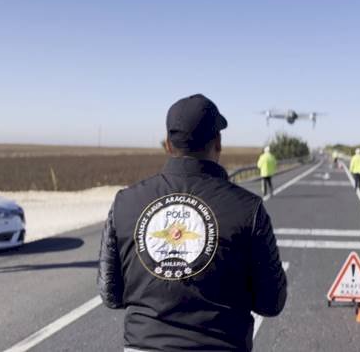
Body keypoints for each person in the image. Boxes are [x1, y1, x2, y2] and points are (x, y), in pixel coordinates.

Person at [98, 94, 287, 352]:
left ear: (167, 145)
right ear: (218, 143)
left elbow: (110, 293)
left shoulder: (125, 202)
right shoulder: (248, 208)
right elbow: (272, 302)